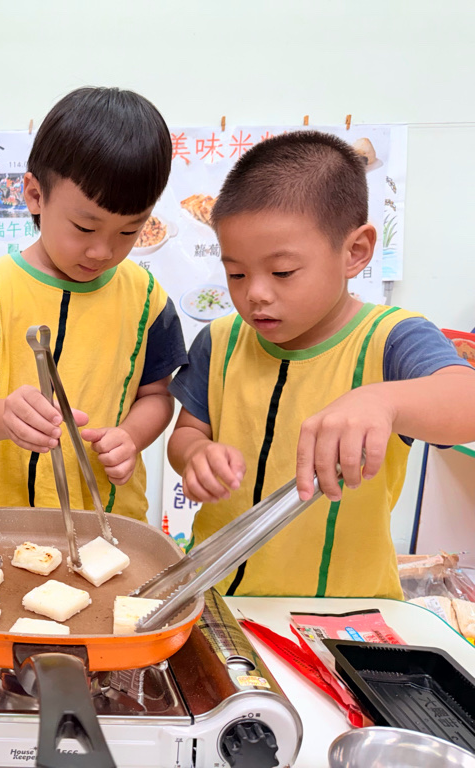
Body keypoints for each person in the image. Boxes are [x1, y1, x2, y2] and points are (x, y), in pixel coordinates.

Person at [168, 130, 475, 598]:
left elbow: (465, 399)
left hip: (342, 612)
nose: (255, 293)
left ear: (355, 252)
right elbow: (188, 433)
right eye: (236, 273)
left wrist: (381, 400)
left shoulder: (391, 338)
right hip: (217, 597)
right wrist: (195, 455)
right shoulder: (220, 340)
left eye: (282, 272)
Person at [0, 87, 187, 520]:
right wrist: (5, 414)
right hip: (6, 521)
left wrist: (131, 436)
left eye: (129, 232)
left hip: (110, 522)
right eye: (85, 228)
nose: (103, 251)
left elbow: (157, 396)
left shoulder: (147, 298)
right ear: (34, 195)